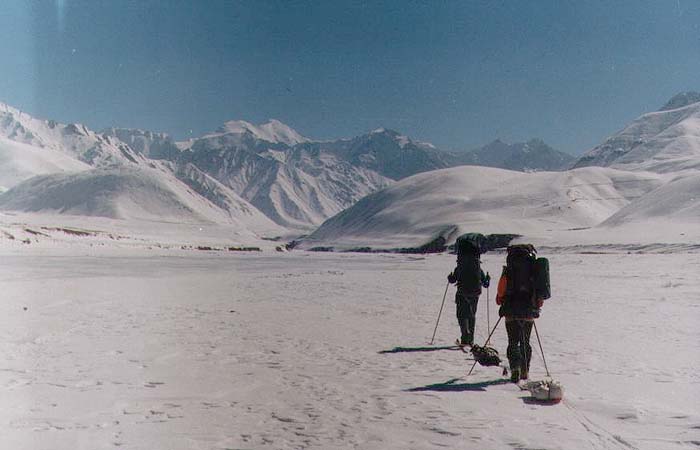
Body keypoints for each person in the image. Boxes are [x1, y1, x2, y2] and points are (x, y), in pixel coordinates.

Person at [496, 244, 545, 382]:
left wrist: (500, 300)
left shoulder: (508, 270)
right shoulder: (533, 269)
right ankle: (525, 370)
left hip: (510, 311)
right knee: (525, 342)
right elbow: (540, 291)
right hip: (528, 311)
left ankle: (515, 368)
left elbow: (501, 291)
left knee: (513, 341)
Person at [447, 234, 490, 347]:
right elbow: (485, 282)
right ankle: (470, 339)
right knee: (472, 314)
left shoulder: (461, 265)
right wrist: (487, 280)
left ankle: (465, 335)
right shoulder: (477, 265)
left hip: (462, 291)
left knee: (462, 314)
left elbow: (453, 279)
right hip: (475, 292)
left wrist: (450, 278)